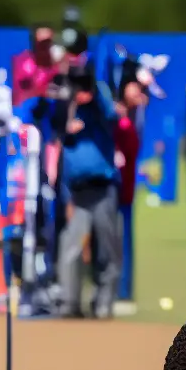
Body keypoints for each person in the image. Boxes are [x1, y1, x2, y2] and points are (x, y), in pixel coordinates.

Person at [54, 55, 121, 318]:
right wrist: (68, 95)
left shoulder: (98, 108)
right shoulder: (66, 109)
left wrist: (92, 87)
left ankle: (103, 302)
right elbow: (53, 119)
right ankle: (70, 302)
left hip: (103, 188)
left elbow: (110, 110)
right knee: (70, 246)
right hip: (78, 192)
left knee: (108, 248)